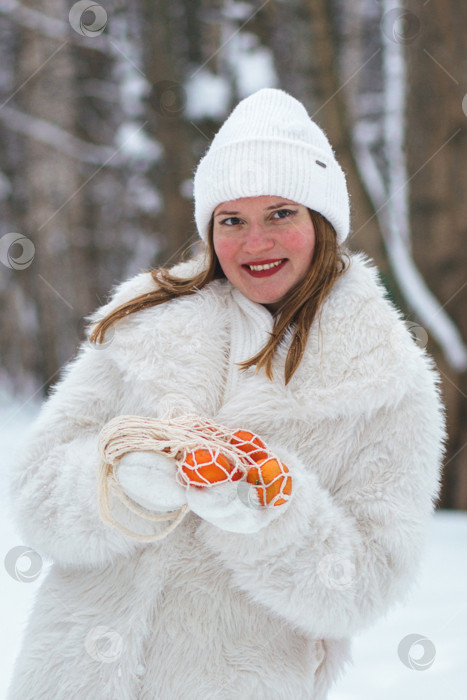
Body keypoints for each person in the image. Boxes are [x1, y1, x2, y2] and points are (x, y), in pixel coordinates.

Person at [7, 88, 447, 700]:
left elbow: (366, 585)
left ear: (323, 220)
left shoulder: (388, 382)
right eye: (231, 220)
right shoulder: (144, 324)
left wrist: (269, 510)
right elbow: (34, 498)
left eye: (280, 214)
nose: (254, 242)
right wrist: (124, 485)